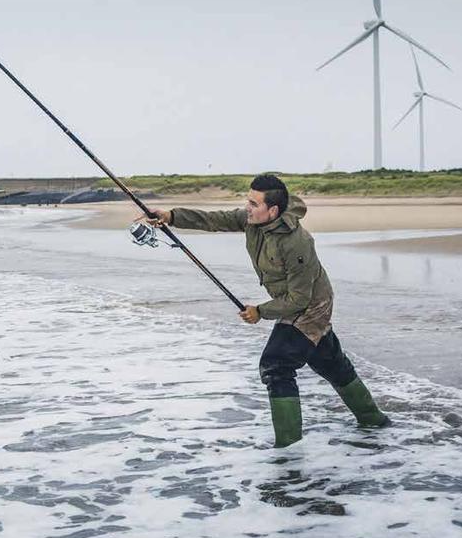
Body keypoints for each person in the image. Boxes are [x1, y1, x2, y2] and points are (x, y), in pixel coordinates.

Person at [143, 173, 389, 448]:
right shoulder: (253, 220)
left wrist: (260, 311)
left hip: (311, 306)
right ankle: (374, 421)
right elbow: (214, 220)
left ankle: (288, 451)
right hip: (292, 301)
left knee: (276, 366)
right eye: (247, 201)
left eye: (253, 204)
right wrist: (171, 216)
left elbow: (299, 299)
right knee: (329, 362)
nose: (247, 208)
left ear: (272, 210)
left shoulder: (297, 242)